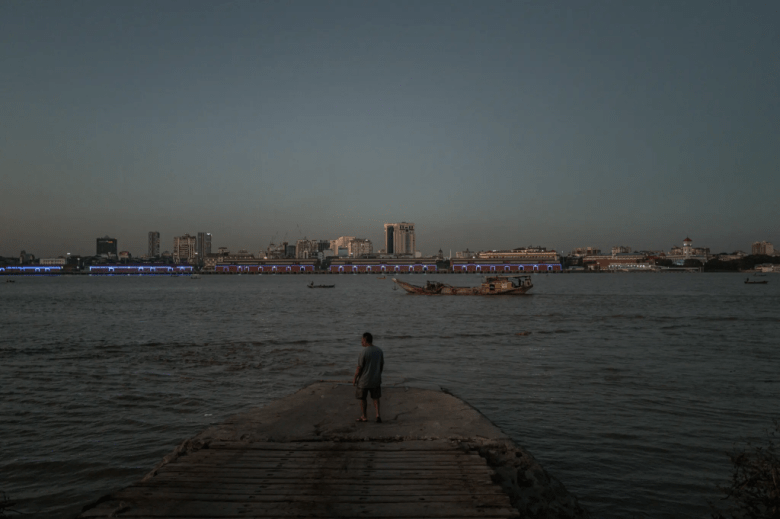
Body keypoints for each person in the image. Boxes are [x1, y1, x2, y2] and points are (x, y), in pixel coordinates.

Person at [352, 332, 384, 423]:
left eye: (362, 340)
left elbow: (359, 367)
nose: (361, 342)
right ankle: (377, 415)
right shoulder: (379, 351)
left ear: (365, 340)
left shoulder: (363, 352)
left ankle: (364, 416)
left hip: (364, 380)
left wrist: (355, 378)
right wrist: (378, 375)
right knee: (376, 398)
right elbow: (381, 365)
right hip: (375, 379)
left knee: (363, 398)